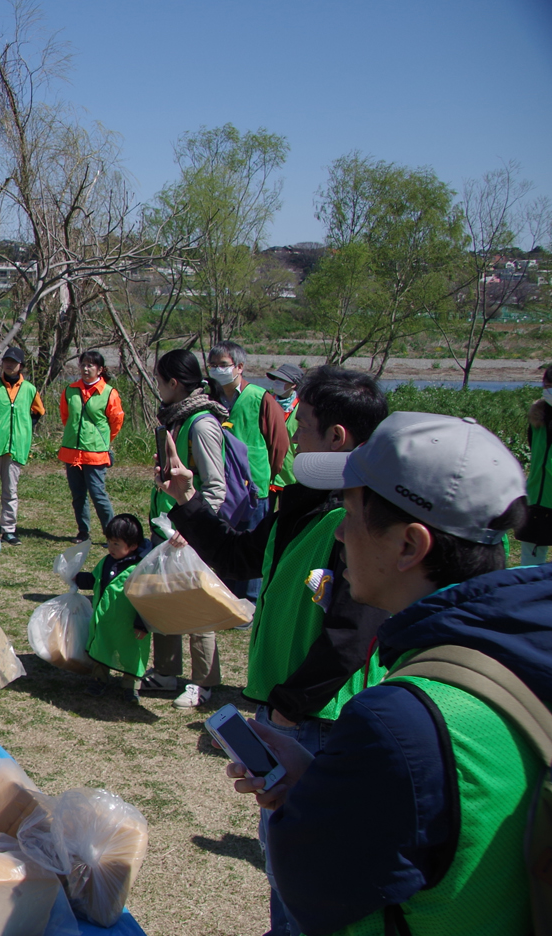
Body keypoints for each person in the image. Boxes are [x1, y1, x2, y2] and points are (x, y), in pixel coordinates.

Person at [227, 413, 552, 935]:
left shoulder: (401, 720)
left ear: (409, 545)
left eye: (353, 512)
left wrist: (312, 803)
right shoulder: (525, 650)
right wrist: (322, 782)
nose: (339, 528)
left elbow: (314, 891)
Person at [160, 365, 390, 936]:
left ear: (337, 439)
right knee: (283, 850)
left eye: (302, 423)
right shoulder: (302, 503)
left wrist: (290, 704)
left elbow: (353, 634)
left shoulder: (357, 518)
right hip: (286, 709)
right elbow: (239, 559)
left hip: (318, 718)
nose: (289, 430)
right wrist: (187, 502)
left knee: (307, 854)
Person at [144, 349, 228, 709]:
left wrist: (194, 527)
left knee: (195, 604)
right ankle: (165, 671)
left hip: (190, 530)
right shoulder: (174, 418)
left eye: (159, 380)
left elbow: (216, 487)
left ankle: (203, 681)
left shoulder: (203, 424)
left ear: (174, 383)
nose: (157, 387)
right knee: (163, 598)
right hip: (166, 526)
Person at [206, 341, 291, 605]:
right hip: (221, 484)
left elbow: (279, 445)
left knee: (253, 541)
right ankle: (227, 596)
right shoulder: (210, 398)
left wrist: (263, 476)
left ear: (239, 367)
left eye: (224, 365)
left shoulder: (260, 398)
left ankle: (251, 601)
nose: (218, 370)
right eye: (214, 366)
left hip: (253, 486)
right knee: (224, 538)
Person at [0, 346, 46, 546]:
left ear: (21, 365)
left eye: (13, 362)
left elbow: (38, 412)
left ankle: (8, 529)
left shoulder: (30, 389)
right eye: (6, 360)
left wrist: (25, 431)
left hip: (16, 447)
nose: (9, 364)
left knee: (10, 490)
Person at [77, 513, 150, 701]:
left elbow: (147, 598)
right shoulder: (107, 561)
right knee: (102, 648)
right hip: (106, 621)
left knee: (132, 654)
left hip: (130, 625)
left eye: (116, 544)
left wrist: (142, 623)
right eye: (109, 542)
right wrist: (76, 578)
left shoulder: (141, 568)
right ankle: (99, 680)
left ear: (133, 546)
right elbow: (96, 579)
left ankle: (130, 686)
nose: (111, 547)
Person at [59, 349, 125, 543]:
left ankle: (111, 533)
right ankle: (83, 532)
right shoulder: (70, 390)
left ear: (100, 369)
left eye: (91, 365)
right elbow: (66, 417)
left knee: (98, 494)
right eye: (83, 365)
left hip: (96, 453)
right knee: (78, 495)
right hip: (72, 452)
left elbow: (116, 422)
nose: (86, 369)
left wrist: (102, 440)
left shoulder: (109, 393)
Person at [518, 360, 552, 565]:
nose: (551, 391)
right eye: (547, 386)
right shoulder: (537, 421)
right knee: (529, 565)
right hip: (535, 500)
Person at [264, 363, 303, 495]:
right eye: (276, 380)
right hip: (266, 474)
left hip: (290, 475)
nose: (277, 383)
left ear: (294, 385)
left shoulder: (302, 408)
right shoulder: (266, 402)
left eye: (282, 381)